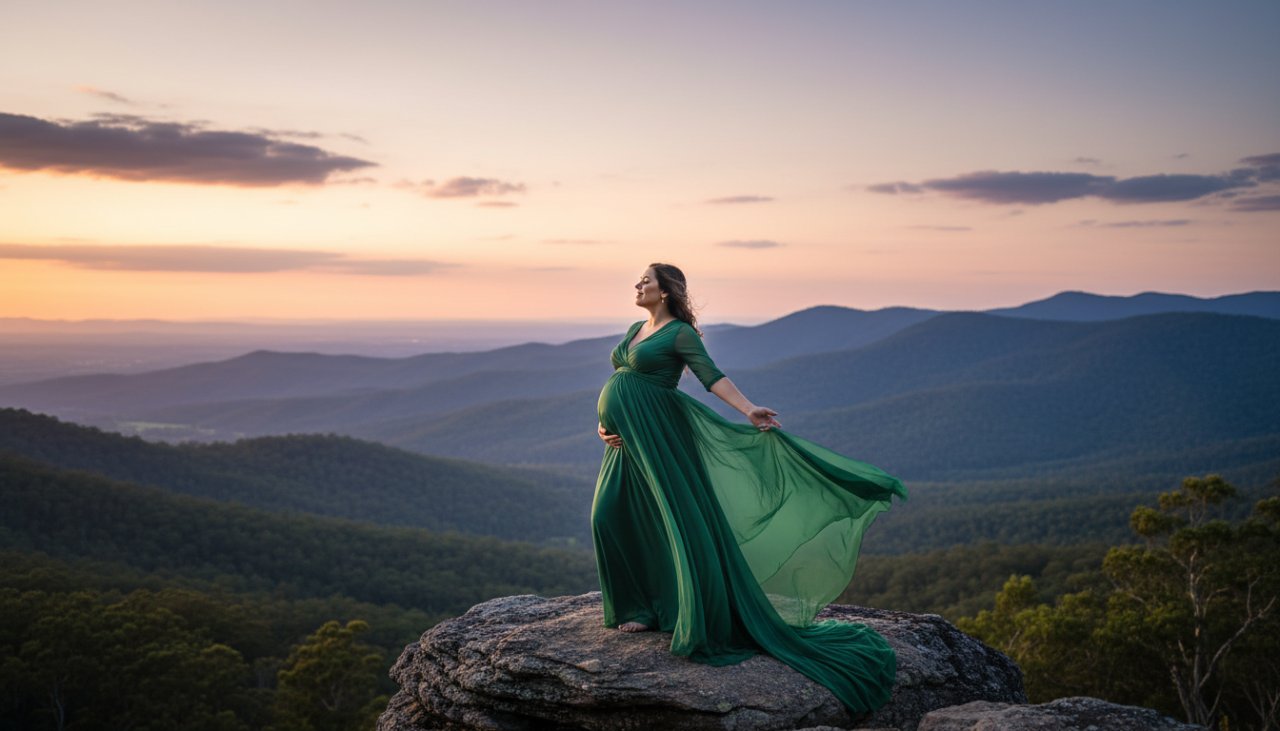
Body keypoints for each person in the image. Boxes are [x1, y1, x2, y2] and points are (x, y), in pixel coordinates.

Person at [592, 262, 907, 713]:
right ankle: (640, 605)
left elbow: (710, 376)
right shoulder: (635, 328)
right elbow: (620, 382)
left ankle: (666, 610)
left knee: (670, 518)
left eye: (646, 280)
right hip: (625, 442)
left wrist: (748, 410)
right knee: (611, 515)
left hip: (660, 439)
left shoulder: (680, 333)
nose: (637, 285)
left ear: (666, 290)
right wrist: (603, 425)